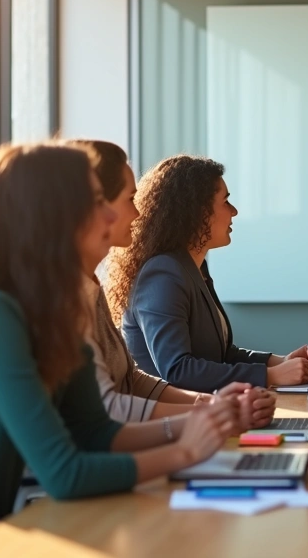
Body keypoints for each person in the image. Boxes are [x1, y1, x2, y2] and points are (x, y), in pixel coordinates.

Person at [0, 143, 245, 537]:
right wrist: (186, 451)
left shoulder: (57, 308)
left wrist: (204, 419)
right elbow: (65, 473)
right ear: (49, 218)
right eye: (96, 201)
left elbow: (97, 432)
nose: (112, 214)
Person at [66, 140, 275, 425]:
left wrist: (212, 405)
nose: (138, 213)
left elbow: (133, 379)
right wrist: (212, 413)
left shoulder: (93, 287)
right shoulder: (163, 272)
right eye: (129, 199)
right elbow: (173, 371)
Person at [109, 155, 308, 392]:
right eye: (226, 202)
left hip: (207, 410)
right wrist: (271, 375)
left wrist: (279, 363)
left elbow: (221, 355)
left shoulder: (193, 267)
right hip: (176, 420)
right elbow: (178, 369)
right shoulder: (162, 275)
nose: (234, 211)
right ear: (197, 212)